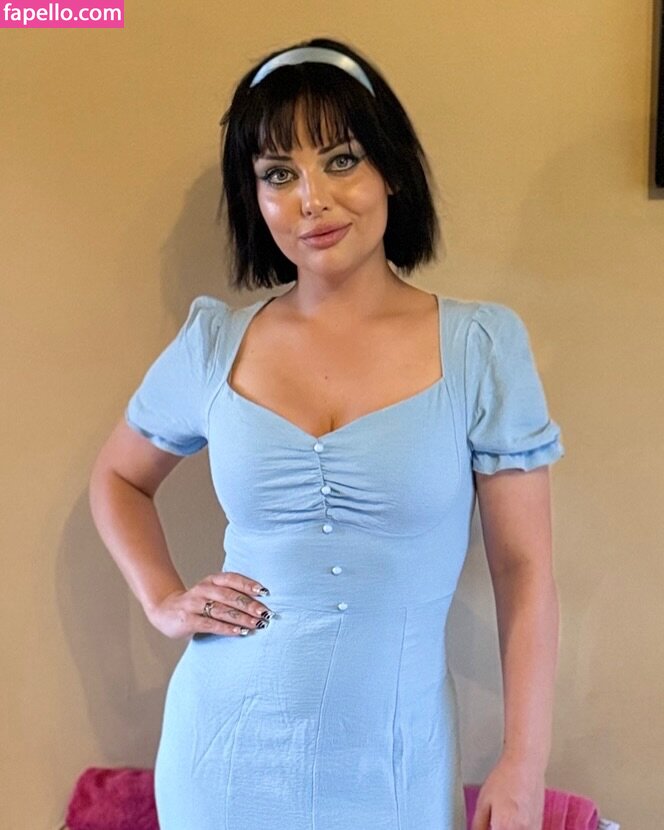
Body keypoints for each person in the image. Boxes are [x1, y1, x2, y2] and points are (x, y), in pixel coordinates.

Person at [89, 37, 563, 830]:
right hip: (221, 758)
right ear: (255, 197)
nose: (312, 198)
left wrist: (525, 760)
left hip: (396, 764)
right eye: (279, 174)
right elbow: (118, 478)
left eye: (341, 160)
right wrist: (163, 598)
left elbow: (524, 569)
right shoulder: (213, 345)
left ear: (391, 170)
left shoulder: (481, 347)